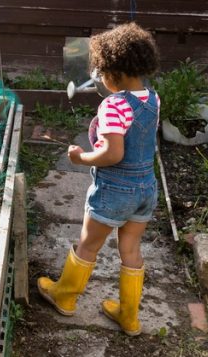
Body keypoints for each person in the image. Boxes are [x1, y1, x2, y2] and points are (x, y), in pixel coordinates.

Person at [38, 23, 160, 336]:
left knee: (88, 243)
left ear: (113, 72)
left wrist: (80, 158)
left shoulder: (113, 105)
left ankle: (64, 296)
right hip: (146, 187)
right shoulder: (152, 99)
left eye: (101, 71)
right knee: (130, 248)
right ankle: (129, 317)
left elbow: (112, 154)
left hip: (115, 190)